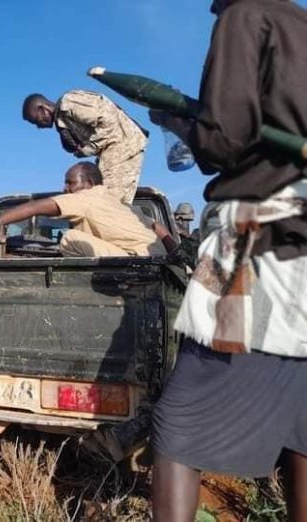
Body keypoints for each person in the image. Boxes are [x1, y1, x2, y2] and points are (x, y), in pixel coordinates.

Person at [148, 1, 307, 520]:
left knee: (179, 421)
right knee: (301, 426)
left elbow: (224, 141)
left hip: (252, 244)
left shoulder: (245, 16)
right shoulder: (300, 25)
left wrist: (179, 119)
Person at [0, 162, 166, 257]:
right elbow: (157, 226)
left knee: (70, 238)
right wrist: (176, 254)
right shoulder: (119, 203)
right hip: (158, 258)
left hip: (138, 263)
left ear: (89, 184)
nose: (65, 188)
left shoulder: (87, 197)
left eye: (70, 182)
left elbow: (36, 206)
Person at [22, 90, 148, 204]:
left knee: (110, 203)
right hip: (113, 150)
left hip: (123, 146)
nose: (38, 126)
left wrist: (89, 148)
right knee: (104, 200)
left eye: (36, 120)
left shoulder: (68, 103)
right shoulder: (62, 121)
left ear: (43, 109)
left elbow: (109, 119)